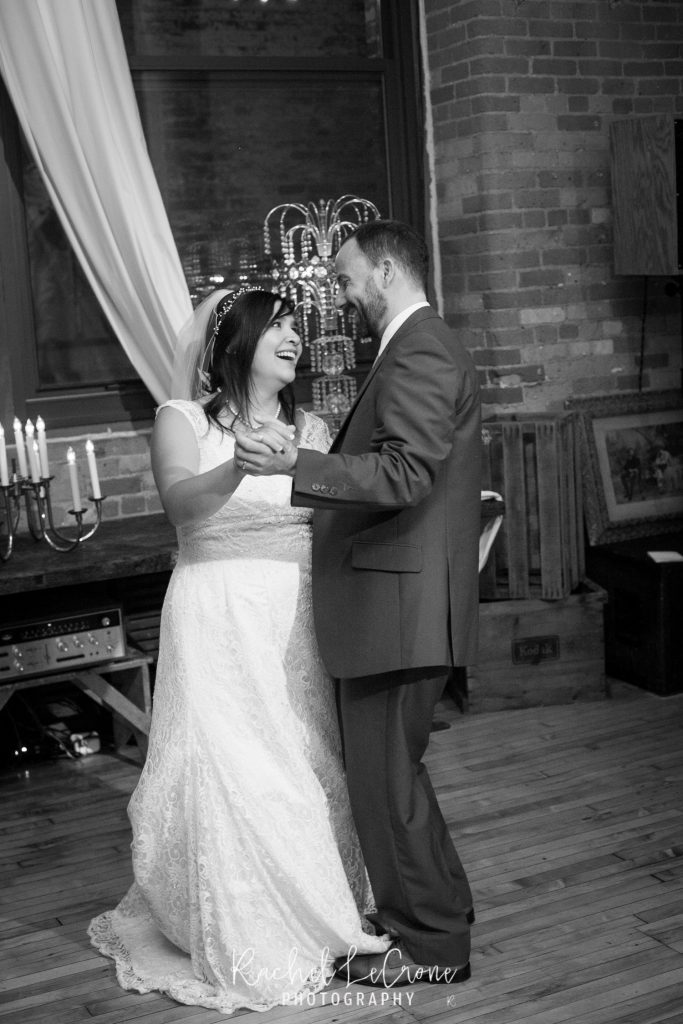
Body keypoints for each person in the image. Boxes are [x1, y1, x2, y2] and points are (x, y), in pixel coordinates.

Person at [88, 288, 390, 1015]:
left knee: (300, 761)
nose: (293, 336)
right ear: (236, 344)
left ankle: (321, 912)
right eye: (276, 325)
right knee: (230, 768)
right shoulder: (182, 420)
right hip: (216, 611)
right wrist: (239, 469)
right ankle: (244, 927)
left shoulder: (311, 427)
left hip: (295, 612)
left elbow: (334, 517)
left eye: (294, 325)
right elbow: (179, 505)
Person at [235, 220, 482, 987]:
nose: (339, 296)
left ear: (384, 270)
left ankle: (431, 948)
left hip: (397, 606)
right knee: (393, 778)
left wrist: (298, 464)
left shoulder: (420, 348)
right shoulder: (413, 346)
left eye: (345, 278)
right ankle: (439, 915)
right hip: (396, 603)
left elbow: (405, 473)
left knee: (385, 784)